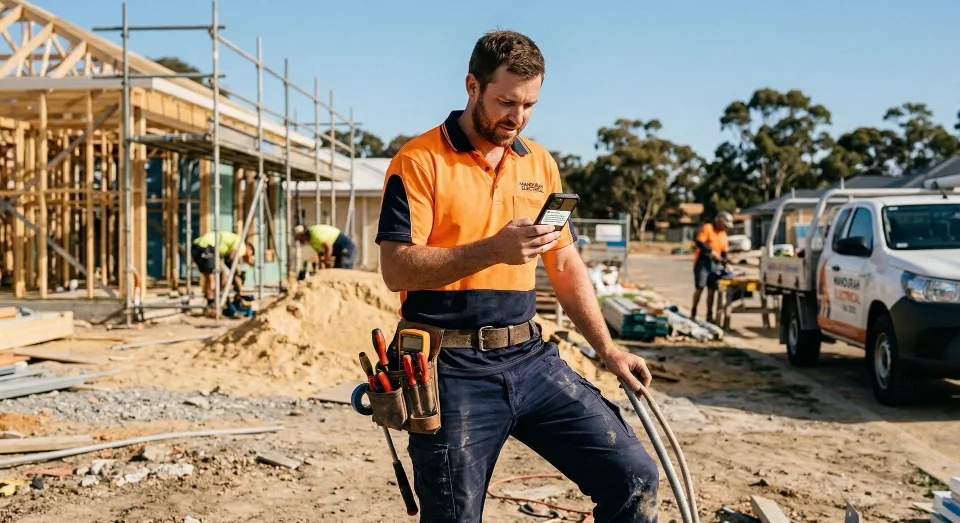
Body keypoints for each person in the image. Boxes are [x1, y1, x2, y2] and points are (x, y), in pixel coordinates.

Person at [376, 30, 659, 523]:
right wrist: (493, 250)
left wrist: (608, 349)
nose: (517, 117)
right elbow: (396, 266)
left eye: (529, 104)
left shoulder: (540, 164)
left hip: (531, 359)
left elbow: (565, 265)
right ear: (472, 86)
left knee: (634, 479)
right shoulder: (419, 162)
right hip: (451, 366)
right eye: (506, 101)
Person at [190, 230, 255, 313]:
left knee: (219, 275)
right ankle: (211, 304)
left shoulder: (233, 243)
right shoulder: (242, 247)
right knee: (211, 277)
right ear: (249, 250)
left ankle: (215, 301)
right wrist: (238, 275)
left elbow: (228, 261)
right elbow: (232, 258)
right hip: (205, 246)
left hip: (201, 246)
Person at [690, 211, 732, 322]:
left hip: (714, 264)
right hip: (702, 262)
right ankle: (693, 312)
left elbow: (724, 251)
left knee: (711, 290)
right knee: (700, 287)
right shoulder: (708, 228)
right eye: (724, 225)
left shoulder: (723, 234)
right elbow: (700, 242)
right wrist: (711, 251)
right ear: (719, 221)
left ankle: (709, 315)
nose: (725, 227)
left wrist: (726, 262)